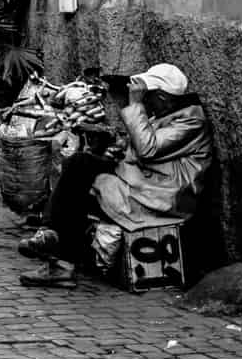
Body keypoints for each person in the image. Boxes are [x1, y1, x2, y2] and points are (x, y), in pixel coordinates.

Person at [19, 63, 216, 288]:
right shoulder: (166, 114)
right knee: (79, 165)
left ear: (162, 97)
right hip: (144, 183)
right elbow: (145, 150)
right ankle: (52, 239)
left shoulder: (191, 121)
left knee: (80, 185)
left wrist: (135, 105)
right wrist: (119, 149)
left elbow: (148, 148)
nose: (146, 101)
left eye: (149, 96)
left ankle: (58, 257)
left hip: (162, 197)